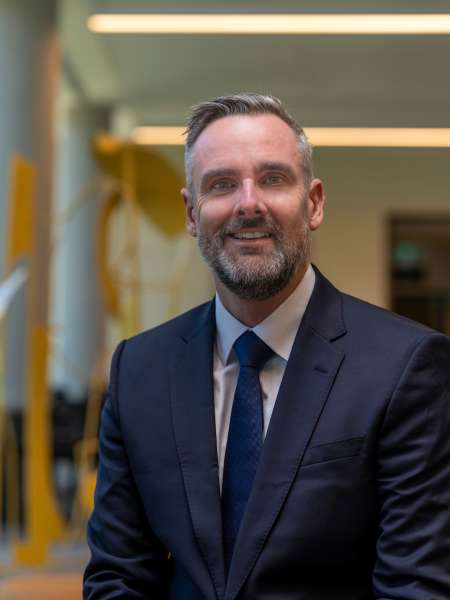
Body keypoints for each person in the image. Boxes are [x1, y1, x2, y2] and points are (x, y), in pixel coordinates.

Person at [84, 93, 450, 600]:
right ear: (191, 213)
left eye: (273, 178)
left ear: (314, 202)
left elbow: (415, 588)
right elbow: (118, 576)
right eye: (221, 184)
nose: (248, 202)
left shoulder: (406, 367)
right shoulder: (138, 370)